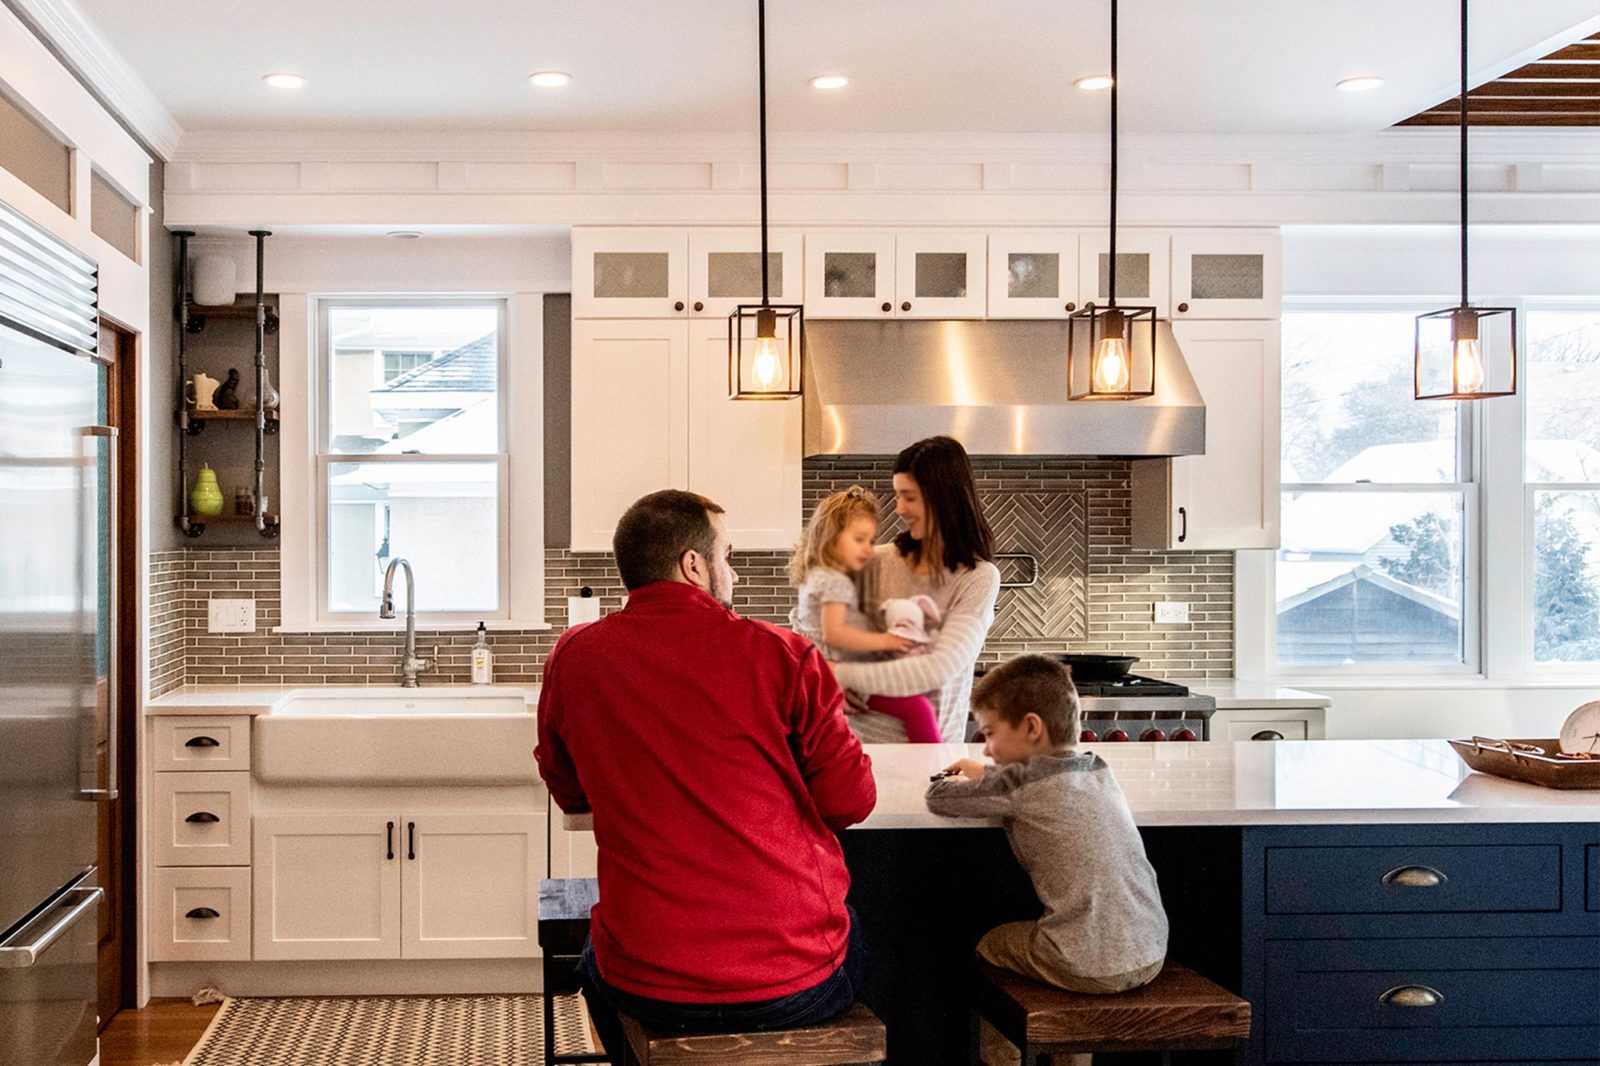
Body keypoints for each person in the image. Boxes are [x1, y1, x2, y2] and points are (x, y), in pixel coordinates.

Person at [534, 489, 877, 1060]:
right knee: (858, 936)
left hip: (649, 982)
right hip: (791, 981)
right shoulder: (784, 656)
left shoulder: (575, 658)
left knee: (598, 960)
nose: (735, 575)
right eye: (729, 556)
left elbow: (569, 791)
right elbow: (850, 801)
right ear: (694, 565)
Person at [926, 654, 1168, 998]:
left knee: (988, 946)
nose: (989, 749)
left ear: (1030, 728)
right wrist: (980, 770)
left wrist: (946, 775)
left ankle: (1002, 1053)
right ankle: (1069, 1047)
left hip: (1085, 961)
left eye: (992, 733)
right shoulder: (1097, 769)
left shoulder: (1020, 785)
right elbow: (1040, 782)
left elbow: (939, 798)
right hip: (1150, 950)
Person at [832, 436, 1001, 743]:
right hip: (858, 758)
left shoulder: (979, 578)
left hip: (934, 764)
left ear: (942, 499)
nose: (898, 509)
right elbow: (817, 646)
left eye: (909, 497)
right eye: (898, 496)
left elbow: (938, 667)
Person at [788, 485, 942, 743]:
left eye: (870, 540)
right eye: (859, 540)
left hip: (825, 678)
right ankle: (937, 768)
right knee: (918, 708)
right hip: (840, 678)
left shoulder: (818, 577)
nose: (869, 549)